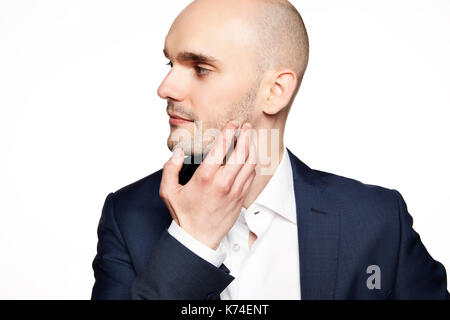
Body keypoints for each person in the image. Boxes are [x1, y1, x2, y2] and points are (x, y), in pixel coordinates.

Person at [91, 0, 449, 300]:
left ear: (276, 91)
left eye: (200, 68)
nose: (165, 87)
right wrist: (191, 243)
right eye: (171, 64)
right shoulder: (128, 217)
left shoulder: (378, 221)